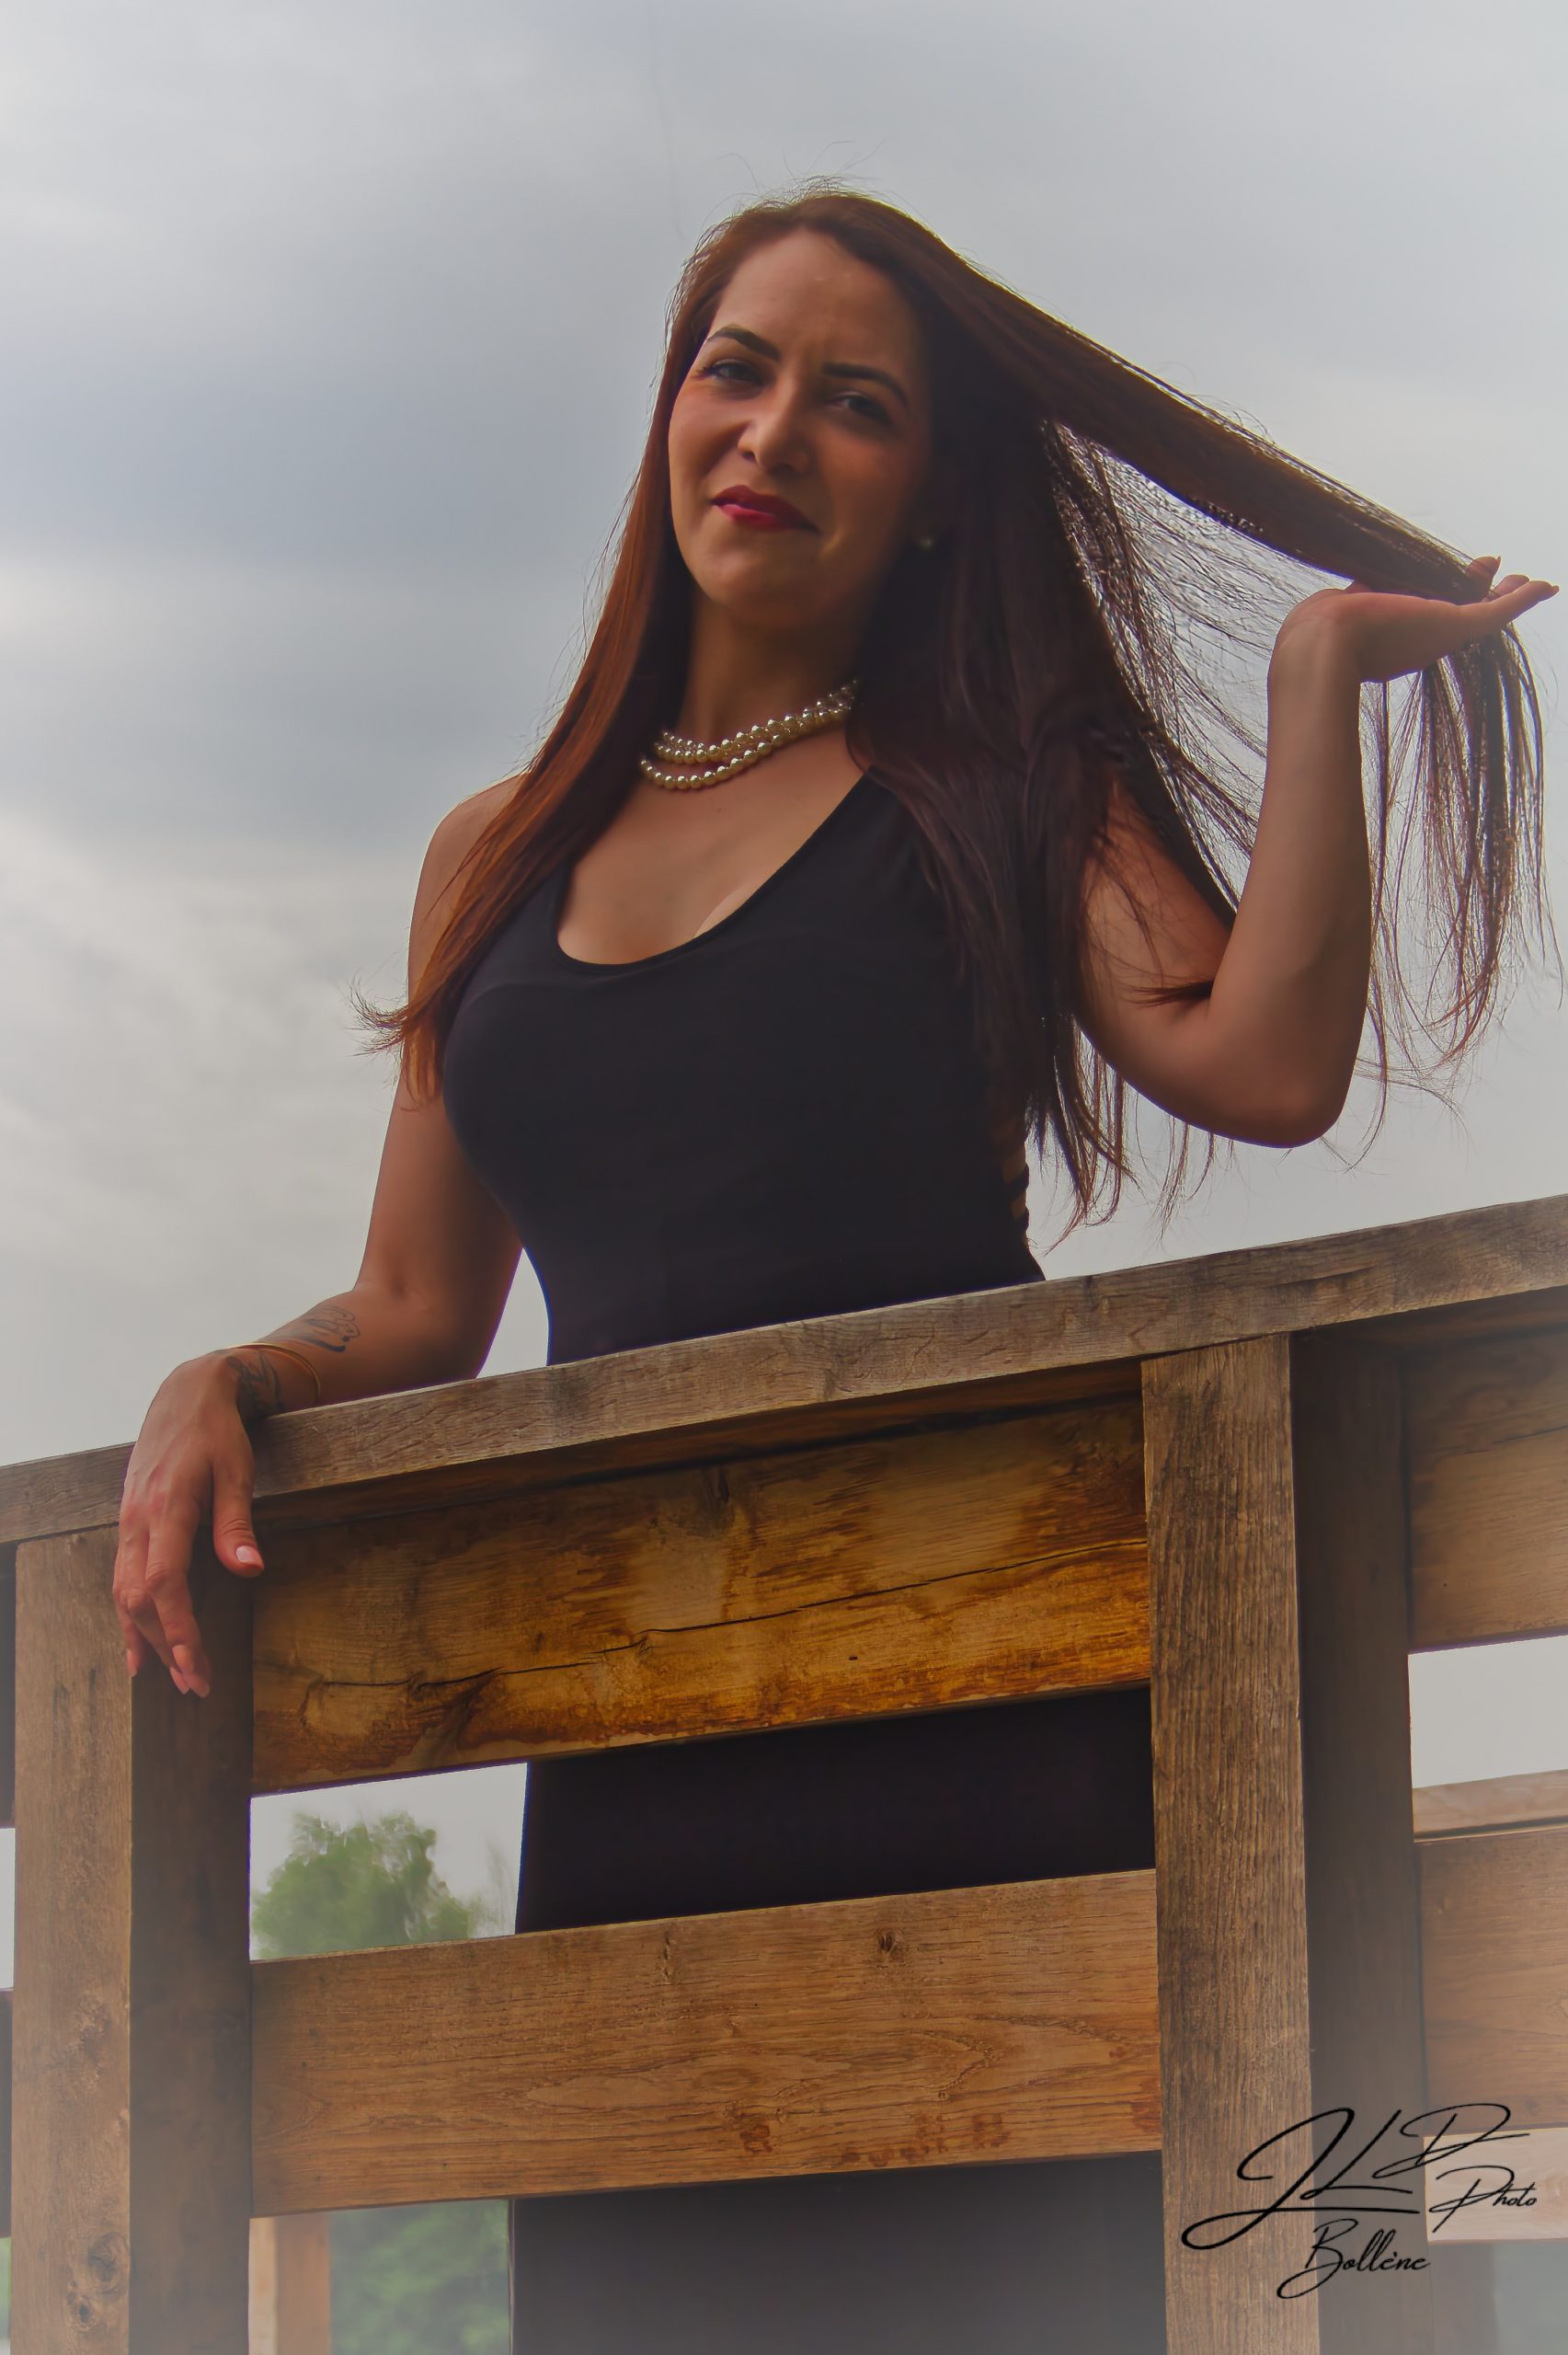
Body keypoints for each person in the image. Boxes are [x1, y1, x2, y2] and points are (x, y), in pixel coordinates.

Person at [111, 186, 1556, 2351]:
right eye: (736, 369)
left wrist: (1313, 677)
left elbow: (1261, 1062)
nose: (774, 430)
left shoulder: (1001, 790)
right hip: (626, 1719)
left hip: (993, 1690)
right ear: (669, 415)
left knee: (1045, 2286)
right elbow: (414, 1309)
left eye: (854, 402)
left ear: (932, 490)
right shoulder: (489, 857)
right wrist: (217, 1377)